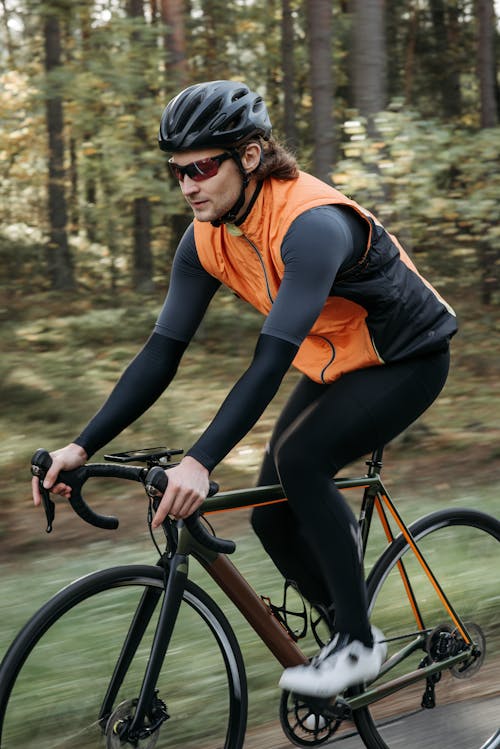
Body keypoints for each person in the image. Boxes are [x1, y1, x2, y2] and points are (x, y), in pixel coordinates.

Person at [32, 80, 457, 698]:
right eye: (176, 172)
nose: (187, 185)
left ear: (250, 156)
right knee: (271, 520)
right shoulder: (206, 235)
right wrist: (81, 445)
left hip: (407, 357)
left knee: (300, 460)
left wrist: (201, 461)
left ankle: (361, 645)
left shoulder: (309, 224)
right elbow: (162, 352)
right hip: (335, 362)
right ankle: (350, 636)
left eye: (201, 167)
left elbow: (271, 356)